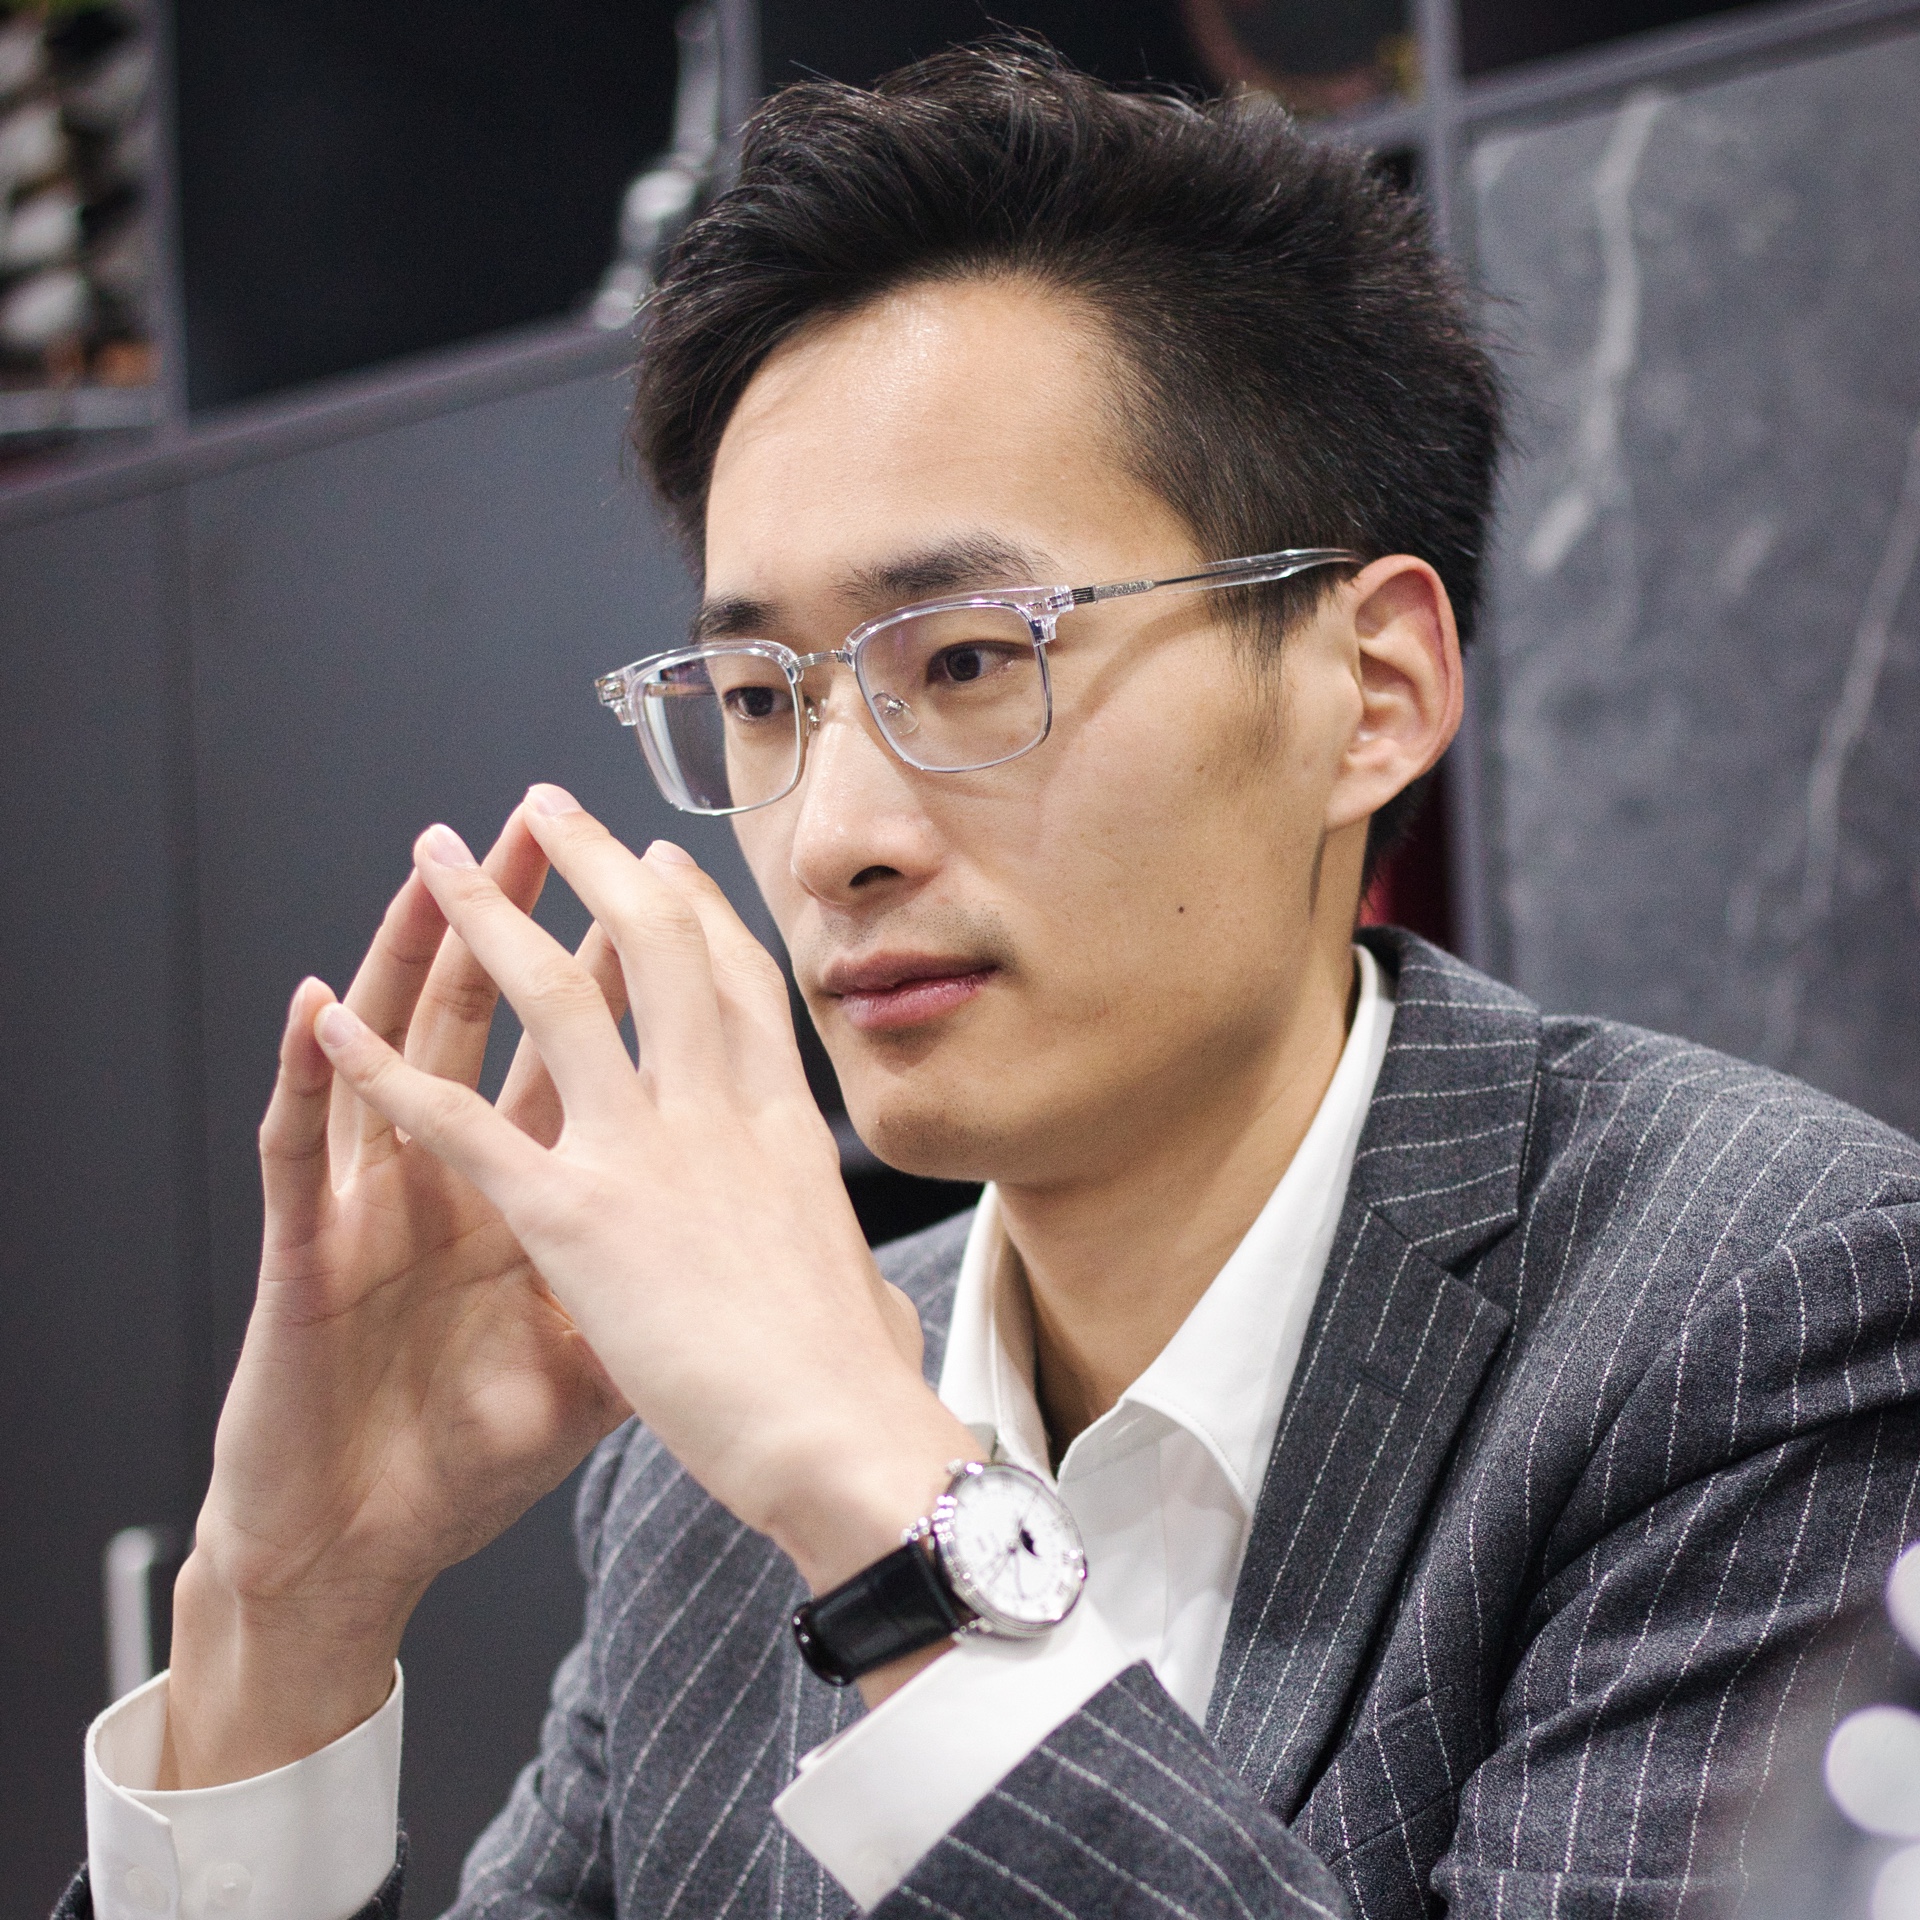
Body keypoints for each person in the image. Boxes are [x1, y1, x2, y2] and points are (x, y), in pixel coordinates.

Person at [65, 41, 1920, 1920]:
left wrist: (884, 1509)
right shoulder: (703, 1485)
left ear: (1369, 690)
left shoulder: (1762, 1309)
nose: (829, 839)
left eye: (965, 661)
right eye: (765, 698)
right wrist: (282, 1615)